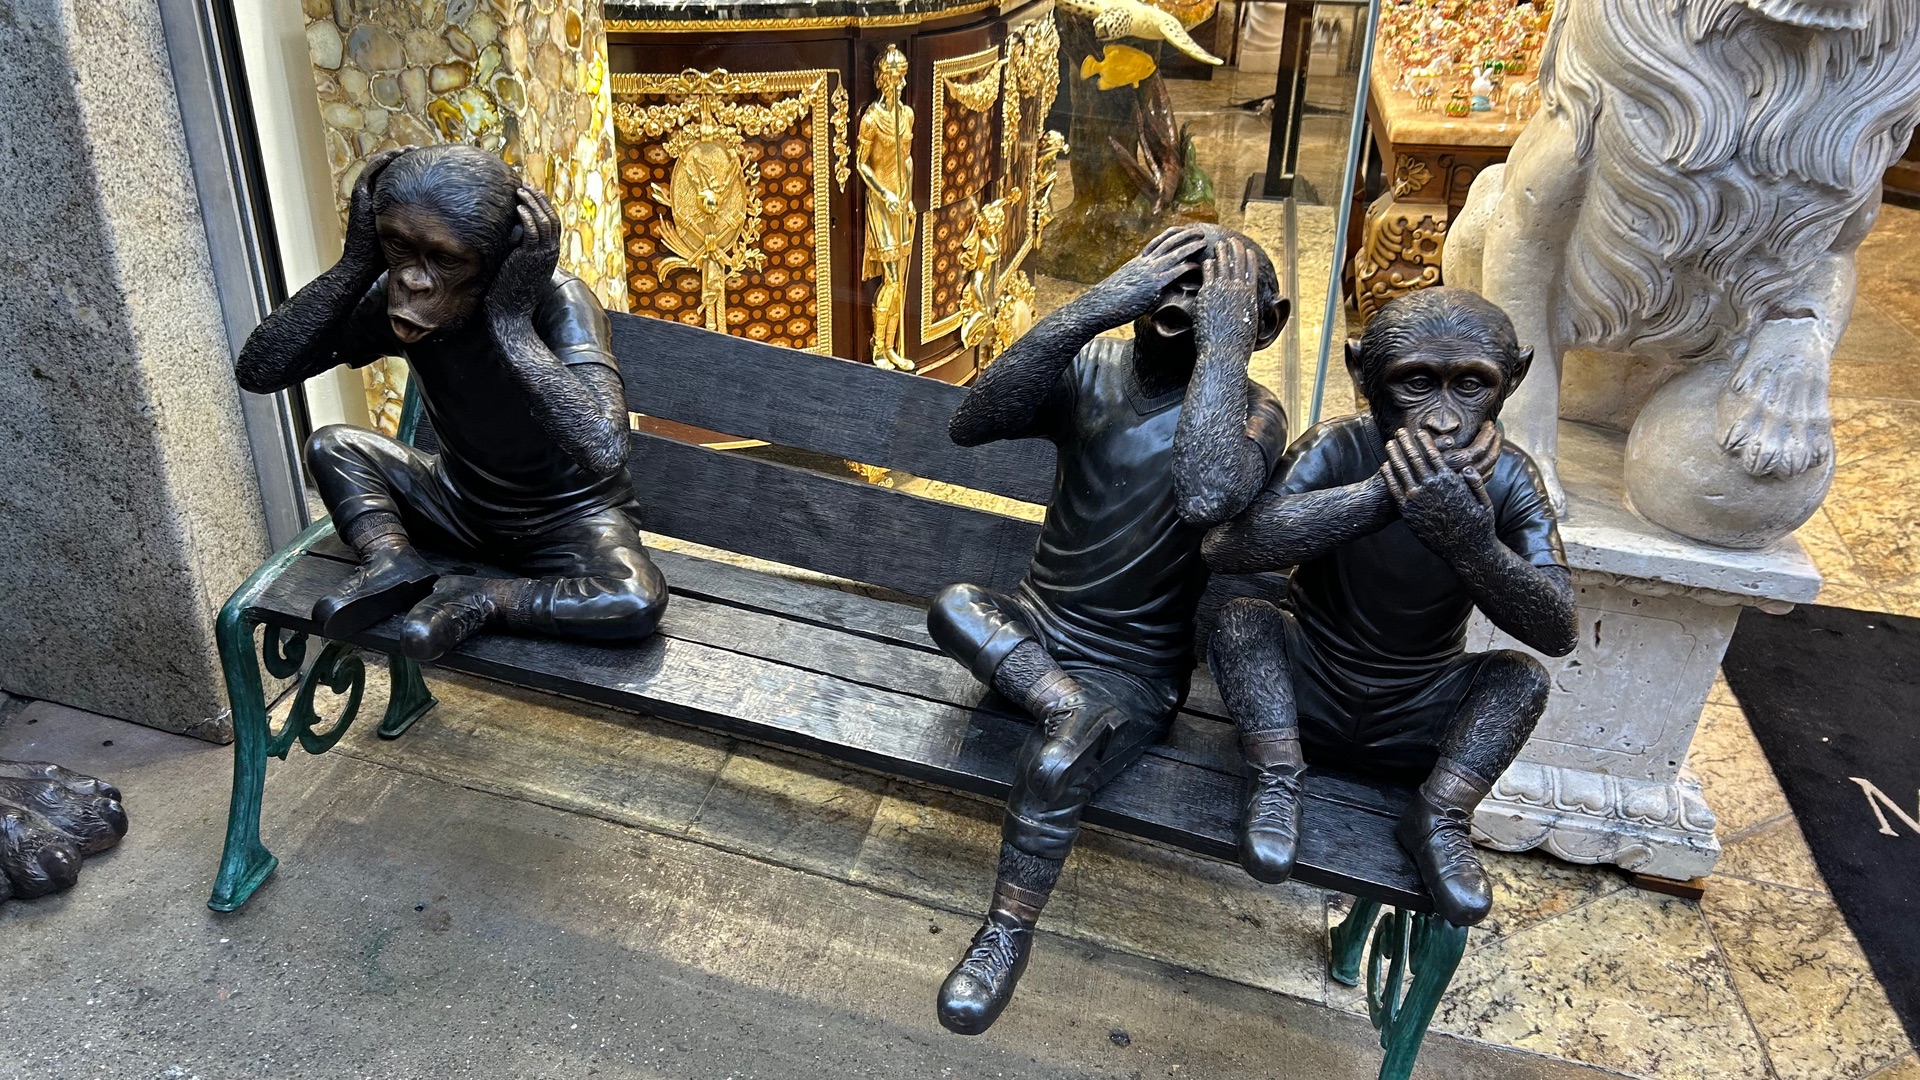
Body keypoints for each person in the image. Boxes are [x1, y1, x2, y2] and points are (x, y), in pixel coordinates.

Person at [928, 225, 1291, 1034]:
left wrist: (1222, 349)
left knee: (1057, 765)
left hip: (1131, 673)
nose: (1182, 299)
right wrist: (1090, 309)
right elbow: (972, 421)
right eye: (1171, 277)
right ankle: (1062, 703)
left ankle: (1005, 931)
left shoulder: (1255, 414)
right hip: (1036, 629)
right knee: (954, 603)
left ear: (1263, 325)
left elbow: (1205, 494)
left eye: (1213, 289)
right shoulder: (1094, 366)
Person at [1201, 286, 1578, 926]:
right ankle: (1276, 778)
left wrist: (1470, 544)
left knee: (1521, 679)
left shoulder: (1512, 476)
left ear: (1512, 379)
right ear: (1362, 374)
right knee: (1243, 619)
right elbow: (1230, 548)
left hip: (1417, 710)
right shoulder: (1338, 447)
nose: (1442, 420)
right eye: (1417, 384)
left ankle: (1440, 813)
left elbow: (1558, 627)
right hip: (1307, 692)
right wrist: (1380, 497)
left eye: (1470, 386)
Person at [234, 144, 666, 662]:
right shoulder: (399, 287)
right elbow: (261, 371)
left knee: (635, 599)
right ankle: (390, 561)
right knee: (334, 446)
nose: (413, 281)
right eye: (399, 246)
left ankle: (482, 598)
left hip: (568, 518)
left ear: (499, 256)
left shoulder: (560, 301)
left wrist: (510, 324)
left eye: (444, 260)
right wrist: (356, 264)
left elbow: (605, 447)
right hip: (456, 501)